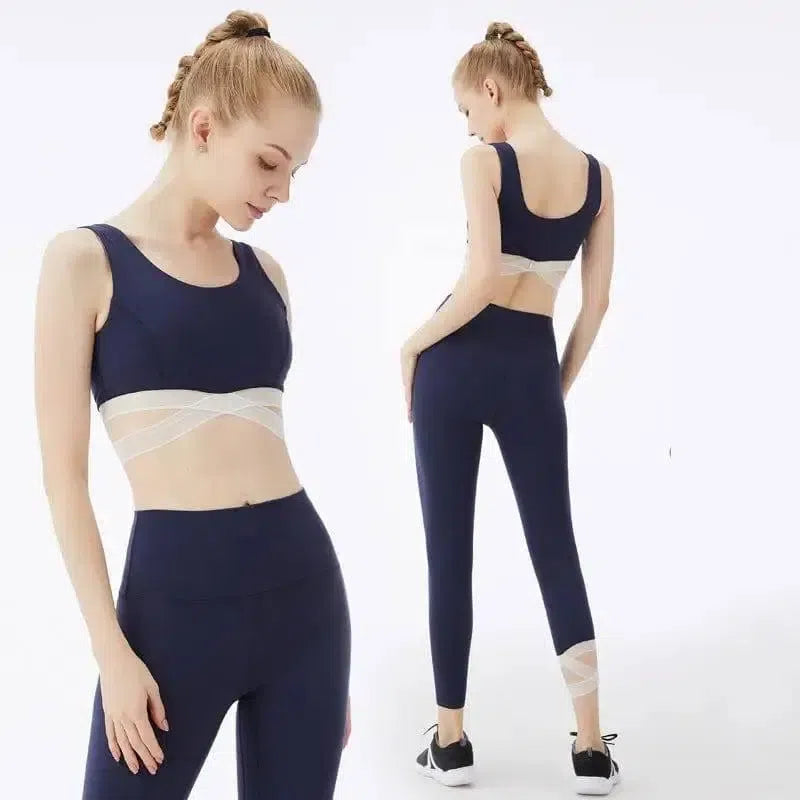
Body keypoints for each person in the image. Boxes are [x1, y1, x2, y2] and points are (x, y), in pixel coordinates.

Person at [33, 11, 351, 799]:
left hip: (307, 606)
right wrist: (111, 654)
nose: (282, 191)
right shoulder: (84, 262)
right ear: (203, 128)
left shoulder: (267, 276)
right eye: (269, 162)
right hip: (173, 617)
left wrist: (327, 675)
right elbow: (64, 480)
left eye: (295, 172)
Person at [401, 21, 620, 795]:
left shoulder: (484, 163)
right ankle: (589, 748)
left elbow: (483, 278)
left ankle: (451, 743)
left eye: (468, 110)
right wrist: (551, 387)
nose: (470, 128)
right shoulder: (597, 177)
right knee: (556, 548)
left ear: (492, 90)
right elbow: (596, 305)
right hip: (531, 368)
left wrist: (412, 346)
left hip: (453, 366)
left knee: (448, 552)